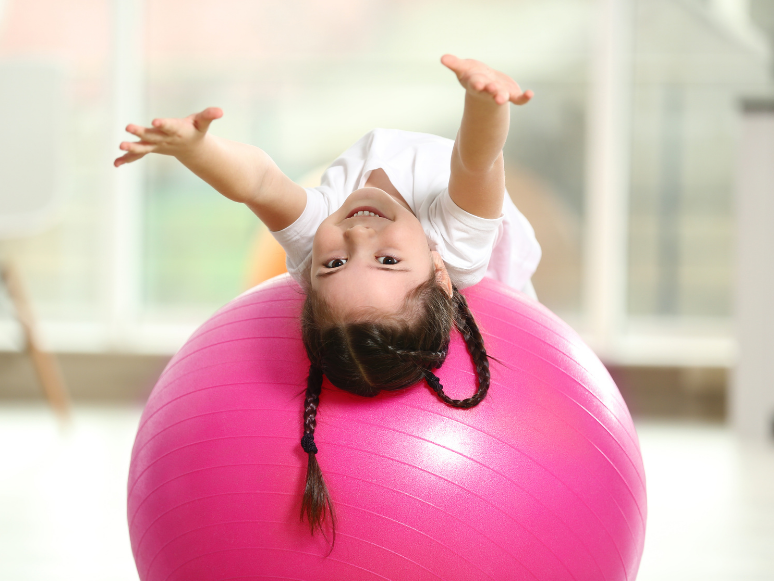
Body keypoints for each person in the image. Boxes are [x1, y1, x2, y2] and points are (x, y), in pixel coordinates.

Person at [115, 54, 541, 538]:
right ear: (438, 271)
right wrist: (485, 104)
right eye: (387, 260)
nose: (357, 236)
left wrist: (197, 151)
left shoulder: (315, 240)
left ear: (310, 280)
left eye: (335, 264)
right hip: (508, 288)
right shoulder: (456, 242)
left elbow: (259, 183)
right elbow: (475, 161)